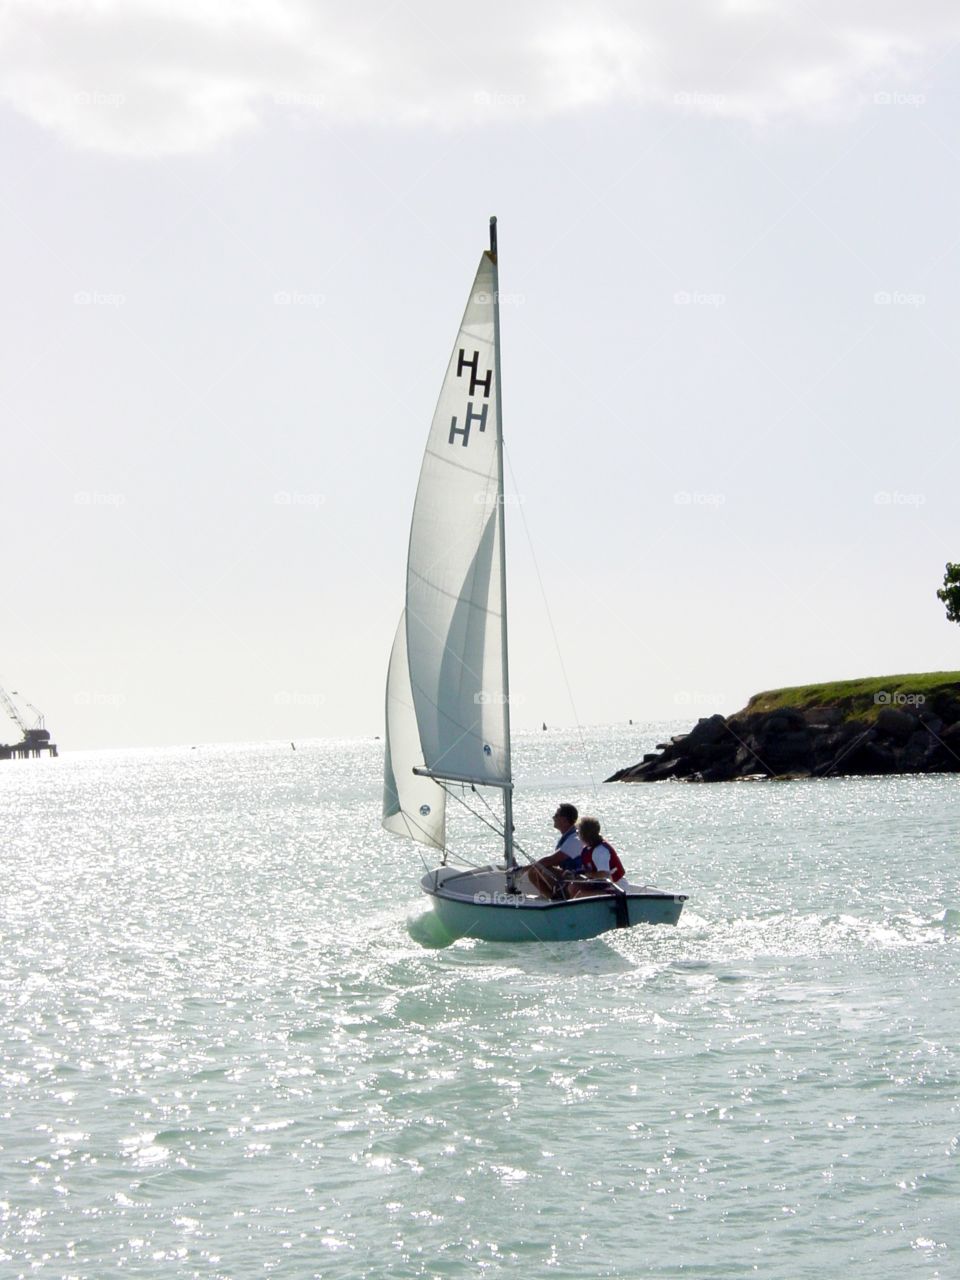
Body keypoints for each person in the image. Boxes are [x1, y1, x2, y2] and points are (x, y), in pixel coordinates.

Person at [525, 803, 582, 898]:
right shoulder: (568, 836)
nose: (553, 818)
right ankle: (553, 897)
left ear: (565, 820)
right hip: (568, 875)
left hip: (576, 878)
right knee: (535, 871)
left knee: (540, 869)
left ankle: (559, 897)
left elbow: (551, 860)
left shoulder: (575, 839)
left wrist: (523, 870)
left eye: (556, 816)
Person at [563, 817, 626, 898]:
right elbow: (588, 871)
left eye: (578, 832)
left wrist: (585, 874)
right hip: (602, 885)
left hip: (616, 888)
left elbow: (604, 874)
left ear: (584, 834)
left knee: (581, 895)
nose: (577, 835)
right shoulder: (587, 850)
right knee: (573, 887)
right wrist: (575, 874)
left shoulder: (600, 851)